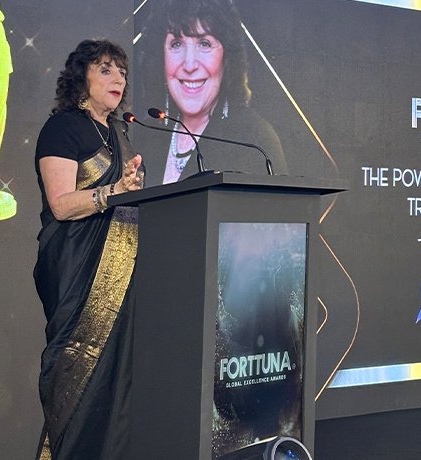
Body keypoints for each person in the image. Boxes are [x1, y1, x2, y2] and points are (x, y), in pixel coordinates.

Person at [33, 39, 143, 460]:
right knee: (75, 378)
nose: (119, 79)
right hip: (75, 271)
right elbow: (61, 205)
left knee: (117, 391)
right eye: (105, 69)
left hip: (124, 274)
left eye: (122, 72)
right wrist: (114, 191)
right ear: (82, 77)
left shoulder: (120, 133)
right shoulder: (63, 128)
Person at [137, 0, 287, 185]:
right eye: (176, 44)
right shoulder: (144, 137)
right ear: (161, 59)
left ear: (226, 58)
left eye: (204, 43)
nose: (189, 64)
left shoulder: (255, 140)